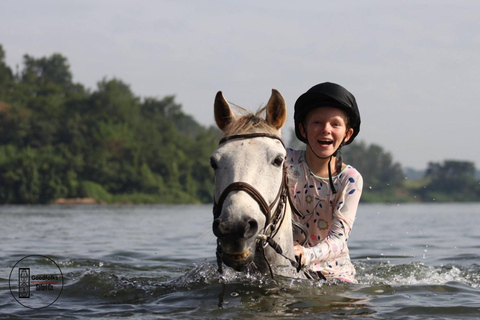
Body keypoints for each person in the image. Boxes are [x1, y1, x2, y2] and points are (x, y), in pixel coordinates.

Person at [287, 82, 363, 283]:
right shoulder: (284, 161)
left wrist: (306, 254)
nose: (326, 130)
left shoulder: (350, 179)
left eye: (335, 124)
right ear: (303, 130)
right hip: (285, 264)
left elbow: (339, 240)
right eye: (317, 123)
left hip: (334, 274)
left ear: (347, 134)